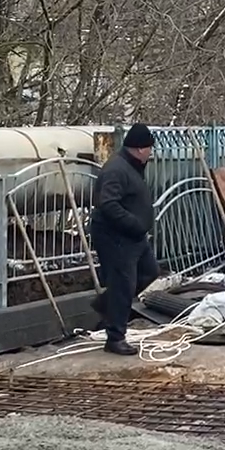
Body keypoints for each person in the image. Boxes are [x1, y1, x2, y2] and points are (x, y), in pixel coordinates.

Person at [91, 123, 160, 355]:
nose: (151, 152)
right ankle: (115, 338)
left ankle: (106, 305)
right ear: (140, 148)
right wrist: (134, 223)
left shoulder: (134, 166)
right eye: (149, 147)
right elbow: (108, 204)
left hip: (135, 237)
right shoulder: (116, 170)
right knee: (123, 284)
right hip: (116, 236)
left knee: (149, 272)